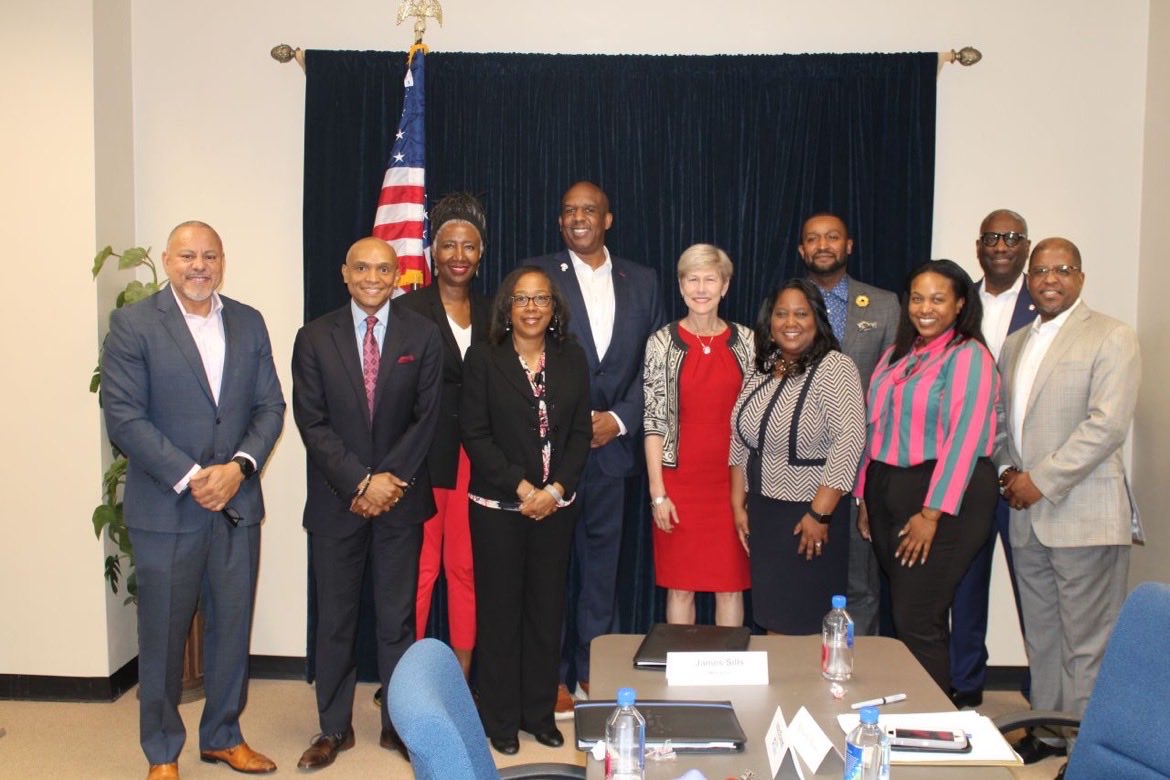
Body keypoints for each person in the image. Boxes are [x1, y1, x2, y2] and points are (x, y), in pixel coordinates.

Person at [101, 220, 285, 780]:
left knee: (232, 628)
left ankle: (223, 736)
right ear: (167, 259)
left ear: (222, 260)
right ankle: (161, 752)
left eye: (209, 255)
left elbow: (270, 408)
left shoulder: (249, 322)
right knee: (161, 635)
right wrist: (191, 475)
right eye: (187, 256)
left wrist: (238, 468)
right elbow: (124, 418)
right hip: (166, 508)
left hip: (236, 505)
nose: (198, 266)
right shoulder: (134, 324)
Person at [291, 236, 442, 770]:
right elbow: (312, 422)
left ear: (398, 274)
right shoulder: (313, 338)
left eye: (383, 268)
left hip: (401, 502)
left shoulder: (423, 335)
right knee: (335, 619)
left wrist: (388, 481)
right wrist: (360, 482)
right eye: (362, 267)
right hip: (338, 503)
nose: (373, 277)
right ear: (345, 273)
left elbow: (428, 417)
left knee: (396, 620)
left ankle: (396, 727)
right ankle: (333, 728)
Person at [996, 238, 1140, 766]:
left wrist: (1042, 480)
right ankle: (1051, 733)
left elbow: (1106, 427)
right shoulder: (1014, 343)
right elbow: (1003, 424)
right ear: (1029, 280)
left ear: (1080, 277)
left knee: (1088, 645)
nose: (1049, 279)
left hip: (1083, 512)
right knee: (1045, 637)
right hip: (1028, 515)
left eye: (1061, 270)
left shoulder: (1111, 336)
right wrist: (1009, 471)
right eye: (1040, 271)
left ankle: (1087, 751)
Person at [526, 181, 664, 713]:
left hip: (613, 453)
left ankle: (591, 672)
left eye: (589, 210)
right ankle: (551, 676)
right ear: (560, 221)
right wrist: (574, 422)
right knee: (550, 572)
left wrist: (619, 419)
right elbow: (525, 351)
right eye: (568, 211)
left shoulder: (644, 281)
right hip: (552, 453)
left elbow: (652, 365)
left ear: (608, 218)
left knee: (601, 574)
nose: (578, 218)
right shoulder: (538, 275)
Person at [460, 266, 592, 755]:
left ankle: (538, 713)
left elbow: (580, 433)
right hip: (498, 507)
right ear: (506, 308)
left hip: (556, 508)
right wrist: (522, 488)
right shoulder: (483, 358)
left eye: (541, 299)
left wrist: (554, 490)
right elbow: (475, 434)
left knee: (545, 610)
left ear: (554, 308)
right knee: (499, 613)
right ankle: (499, 720)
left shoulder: (572, 359)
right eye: (522, 299)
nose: (532, 308)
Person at [856, 259, 999, 692]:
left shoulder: (969, 356)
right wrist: (864, 497)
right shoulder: (897, 355)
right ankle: (914, 710)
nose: (925, 308)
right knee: (906, 613)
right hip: (887, 491)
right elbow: (873, 428)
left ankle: (934, 728)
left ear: (960, 305)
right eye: (917, 298)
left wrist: (931, 514)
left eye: (938, 299)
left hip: (943, 498)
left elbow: (965, 439)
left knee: (919, 617)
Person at [728, 279, 866, 634]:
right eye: (782, 313)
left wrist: (819, 512)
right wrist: (737, 502)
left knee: (804, 623)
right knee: (773, 619)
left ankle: (808, 691)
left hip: (809, 515)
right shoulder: (761, 367)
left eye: (801, 313)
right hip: (765, 513)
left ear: (817, 321)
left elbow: (849, 440)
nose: (791, 322)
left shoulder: (834, 367)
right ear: (769, 323)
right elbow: (738, 436)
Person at [397, 193, 491, 680]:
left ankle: (460, 677)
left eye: (469, 246)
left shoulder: (496, 313)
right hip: (423, 458)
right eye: (449, 245)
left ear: (481, 254)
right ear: (433, 252)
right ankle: (410, 681)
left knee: (465, 570)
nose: (458, 255)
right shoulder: (408, 309)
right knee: (421, 573)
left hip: (477, 461)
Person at [949, 208, 1036, 708]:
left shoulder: (1043, 301)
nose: (1000, 245)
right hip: (971, 466)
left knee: (1034, 592)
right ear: (978, 246)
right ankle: (965, 687)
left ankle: (1040, 693)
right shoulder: (962, 304)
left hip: (1024, 474)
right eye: (991, 238)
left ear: (1025, 245)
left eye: (1011, 237)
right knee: (965, 585)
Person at [797, 212, 898, 636]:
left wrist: (873, 478)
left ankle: (861, 679)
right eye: (813, 239)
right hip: (798, 472)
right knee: (801, 584)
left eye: (832, 237)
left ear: (849, 245)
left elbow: (894, 394)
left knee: (861, 585)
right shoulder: (788, 304)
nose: (823, 245)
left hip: (863, 469)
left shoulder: (884, 304)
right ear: (802, 250)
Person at [643, 244, 753, 626]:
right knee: (681, 586)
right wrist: (658, 494)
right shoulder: (660, 343)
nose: (701, 288)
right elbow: (653, 421)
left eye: (710, 279)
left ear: (725, 286)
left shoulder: (749, 343)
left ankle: (730, 683)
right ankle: (682, 684)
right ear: (680, 285)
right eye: (693, 279)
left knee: (731, 585)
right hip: (679, 483)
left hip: (732, 484)